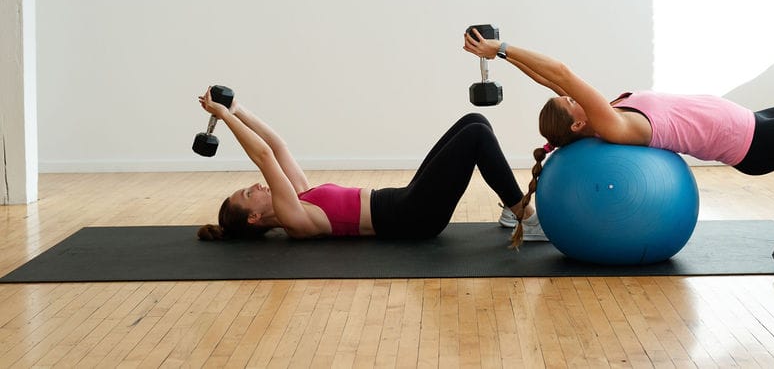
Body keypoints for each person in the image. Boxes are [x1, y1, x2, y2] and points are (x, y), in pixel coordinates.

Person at [463, 30, 774, 257]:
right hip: (757, 143)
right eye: (569, 100)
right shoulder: (612, 126)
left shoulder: (602, 113)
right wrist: (502, 46)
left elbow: (550, 77)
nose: (572, 94)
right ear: (575, 125)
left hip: (753, 120)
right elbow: (562, 71)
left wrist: (500, 56)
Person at [196, 88, 545, 244]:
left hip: (405, 199)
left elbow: (277, 146)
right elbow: (264, 157)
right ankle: (523, 217)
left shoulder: (300, 196)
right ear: (255, 218)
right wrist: (224, 117)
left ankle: (510, 212)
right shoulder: (294, 220)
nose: (257, 186)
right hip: (412, 218)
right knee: (476, 139)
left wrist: (238, 109)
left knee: (475, 121)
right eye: (248, 193)